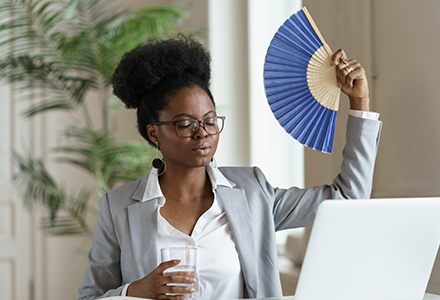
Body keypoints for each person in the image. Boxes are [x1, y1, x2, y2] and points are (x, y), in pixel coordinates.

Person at [78, 36, 382, 300]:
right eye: (185, 124)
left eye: (210, 121)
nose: (203, 133)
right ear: (154, 132)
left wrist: (360, 101)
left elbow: (347, 197)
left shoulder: (252, 193)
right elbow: (91, 296)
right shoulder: (119, 208)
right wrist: (135, 291)